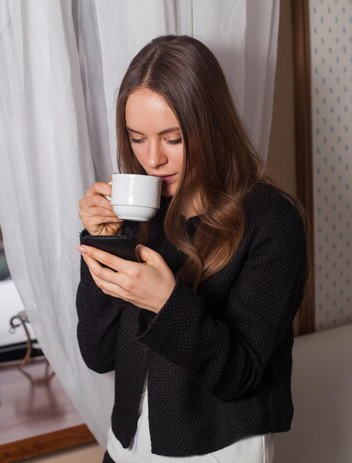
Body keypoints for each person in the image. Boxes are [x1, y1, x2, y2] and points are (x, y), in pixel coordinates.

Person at [76, 35, 308, 463]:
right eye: (136, 138)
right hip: (126, 445)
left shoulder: (272, 221)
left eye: (173, 138)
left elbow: (241, 375)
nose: (153, 159)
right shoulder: (140, 213)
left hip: (220, 449)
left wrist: (165, 302)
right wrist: (105, 240)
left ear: (211, 125)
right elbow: (97, 352)